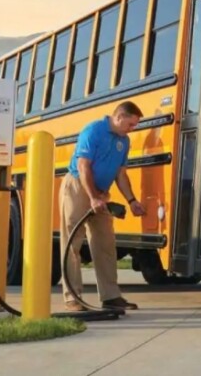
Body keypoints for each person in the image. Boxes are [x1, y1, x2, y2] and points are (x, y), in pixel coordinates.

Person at [60, 101, 147, 312]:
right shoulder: (94, 131)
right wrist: (92, 197)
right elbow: (83, 166)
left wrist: (132, 201)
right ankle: (73, 297)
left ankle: (110, 296)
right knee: (73, 243)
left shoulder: (124, 141)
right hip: (78, 187)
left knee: (106, 243)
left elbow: (121, 174)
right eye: (131, 124)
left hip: (101, 192)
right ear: (119, 117)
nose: (132, 129)